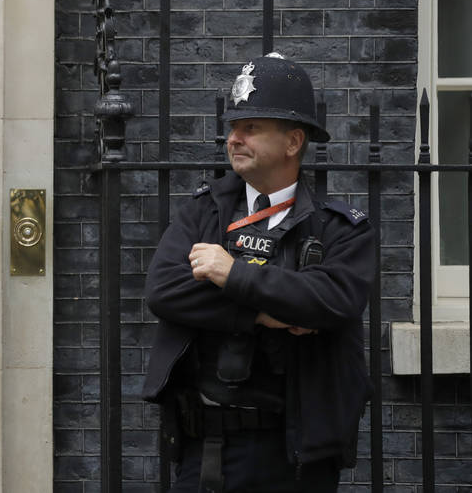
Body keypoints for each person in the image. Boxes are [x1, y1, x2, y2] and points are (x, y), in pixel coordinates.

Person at [142, 53, 375, 493]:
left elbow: (332, 299)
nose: (234, 138)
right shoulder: (202, 211)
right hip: (204, 448)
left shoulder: (339, 228)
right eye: (233, 127)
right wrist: (260, 314)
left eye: (251, 127)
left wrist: (232, 274)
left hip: (293, 455)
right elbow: (164, 289)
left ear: (292, 142)